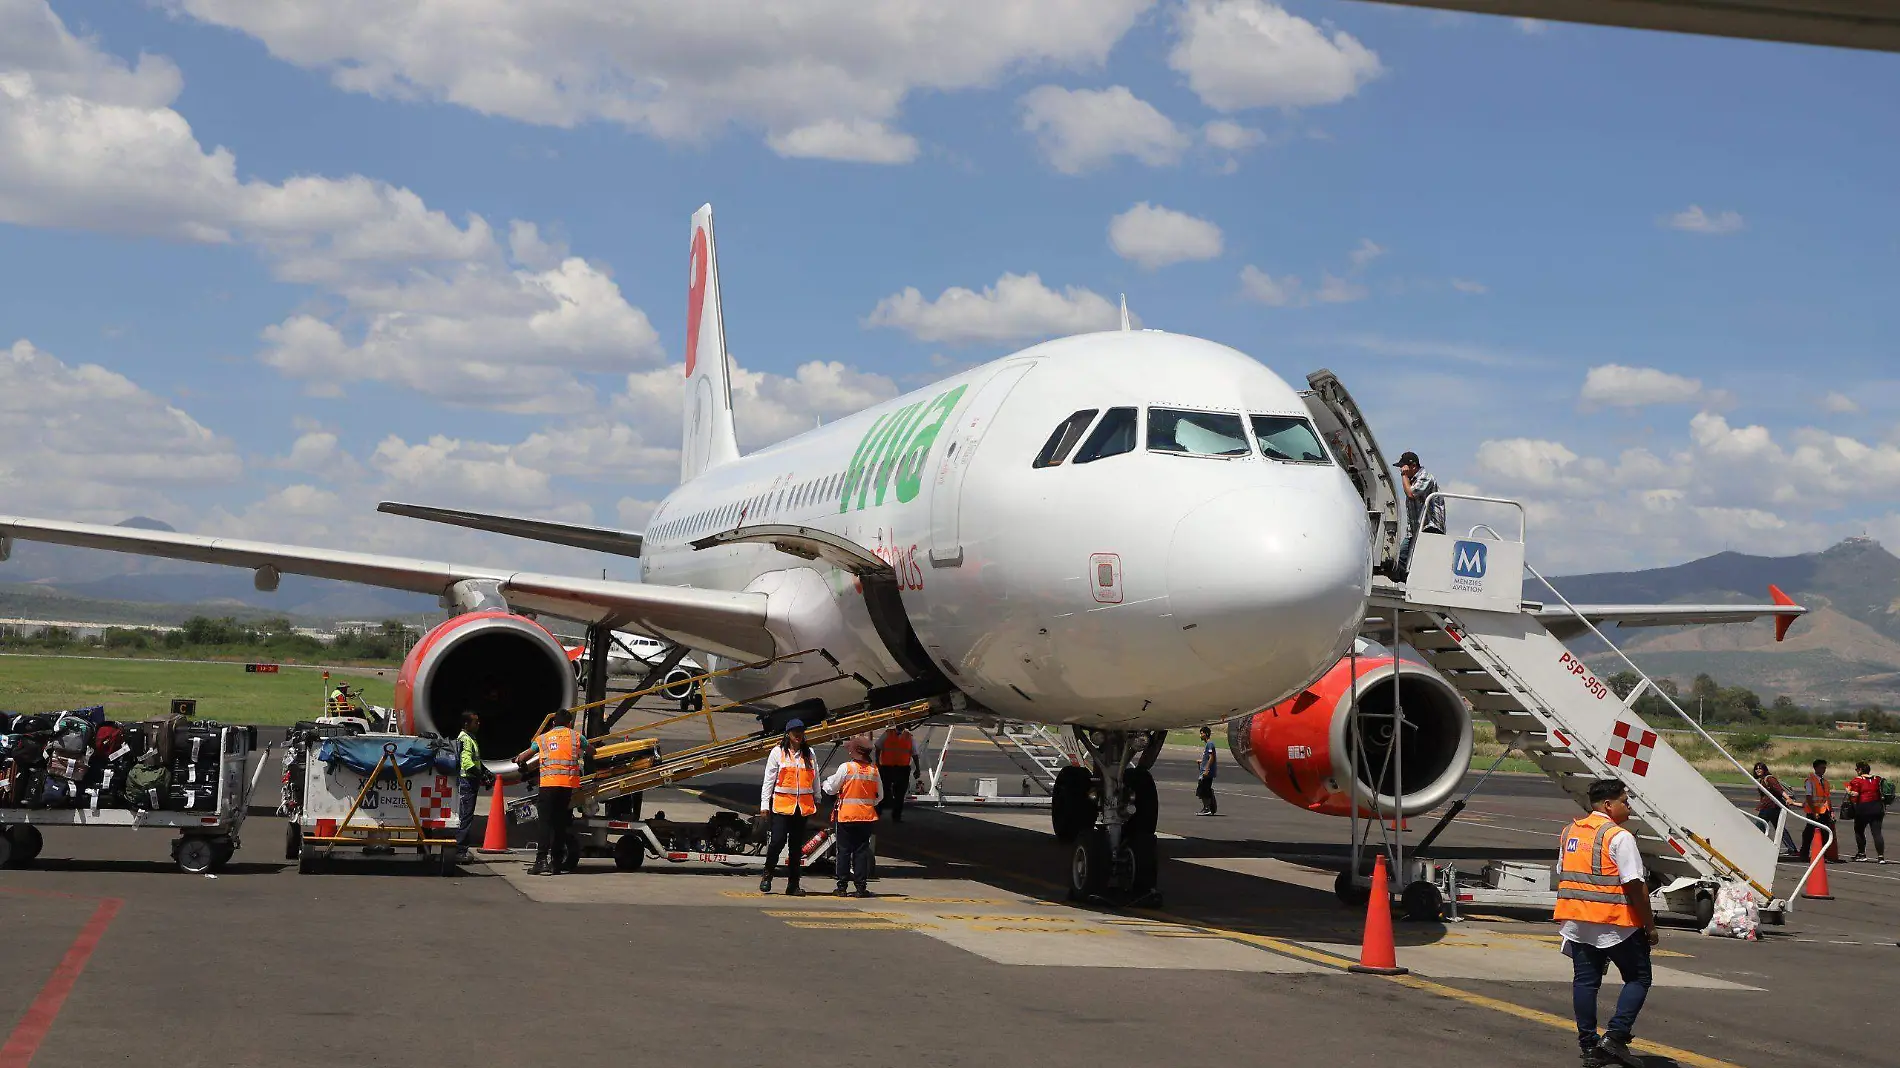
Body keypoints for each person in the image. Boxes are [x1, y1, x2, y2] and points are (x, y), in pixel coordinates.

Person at [1556, 779, 1657, 1068]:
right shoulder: (1619, 836)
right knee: (1638, 978)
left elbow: (1564, 871)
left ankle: (1589, 1047)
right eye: (1625, 801)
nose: (1629, 806)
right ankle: (1616, 1036)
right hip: (1615, 924)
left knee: (1586, 983)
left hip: (1578, 922)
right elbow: (1636, 885)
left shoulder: (1569, 832)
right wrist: (1649, 926)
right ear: (1609, 805)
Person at [515, 710, 590, 876]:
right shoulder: (576, 737)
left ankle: (540, 861)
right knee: (560, 825)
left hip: (548, 786)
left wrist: (519, 760)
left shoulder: (543, 738)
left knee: (545, 824)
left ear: (553, 723)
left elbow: (525, 756)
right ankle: (556, 863)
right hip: (566, 787)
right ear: (569, 723)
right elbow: (592, 751)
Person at [759, 719, 818, 896]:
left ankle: (793, 884)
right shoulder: (778, 753)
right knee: (777, 842)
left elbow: (815, 777)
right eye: (795, 732)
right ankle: (767, 875)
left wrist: (818, 797)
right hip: (782, 807)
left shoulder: (810, 753)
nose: (798, 735)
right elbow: (768, 780)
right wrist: (764, 804)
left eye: (801, 731)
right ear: (788, 734)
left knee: (795, 848)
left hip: (802, 808)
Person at [823, 734, 883, 897]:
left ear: (854, 752)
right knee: (861, 851)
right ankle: (860, 887)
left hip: (847, 817)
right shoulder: (874, 770)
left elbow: (831, 789)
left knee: (843, 851)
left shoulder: (846, 768)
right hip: (866, 817)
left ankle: (841, 887)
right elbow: (879, 796)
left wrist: (825, 784)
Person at [1392, 451, 1445, 580]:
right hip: (1415, 530)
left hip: (1430, 527)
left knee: (1422, 561)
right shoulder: (1411, 480)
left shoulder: (1425, 477)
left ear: (1413, 466)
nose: (1401, 470)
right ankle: (1406, 581)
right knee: (1400, 560)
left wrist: (1404, 476)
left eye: (1404, 467)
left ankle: (1418, 582)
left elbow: (1411, 493)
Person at [455, 711, 485, 863]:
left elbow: (475, 759)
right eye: (475, 722)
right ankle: (460, 851)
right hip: (468, 781)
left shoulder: (470, 738)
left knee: (466, 816)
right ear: (466, 724)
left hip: (470, 780)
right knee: (465, 817)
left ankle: (461, 849)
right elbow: (466, 762)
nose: (478, 724)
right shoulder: (465, 739)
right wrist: (480, 774)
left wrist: (485, 772)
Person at [1751, 761, 1798, 857]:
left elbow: (1779, 790)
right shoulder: (1762, 779)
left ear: (1764, 769)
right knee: (1779, 828)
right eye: (1756, 768)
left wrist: (1788, 798)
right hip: (1771, 807)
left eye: (1760, 768)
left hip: (1769, 807)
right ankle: (1792, 848)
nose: (1758, 770)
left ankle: (1755, 847)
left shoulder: (1769, 779)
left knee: (1760, 826)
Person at [1845, 760, 1887, 864]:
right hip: (1877, 808)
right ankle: (1881, 857)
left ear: (1860, 770)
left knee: (1859, 830)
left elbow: (1855, 795)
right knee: (1877, 832)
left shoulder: (1857, 780)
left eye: (1856, 769)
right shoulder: (1877, 779)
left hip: (1863, 808)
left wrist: (1848, 791)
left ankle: (1861, 854)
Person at [875, 724, 916, 823]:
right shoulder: (888, 733)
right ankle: (877, 813)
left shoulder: (909, 737)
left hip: (902, 768)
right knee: (883, 791)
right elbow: (878, 747)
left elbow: (915, 753)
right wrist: (877, 763)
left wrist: (917, 769)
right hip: (887, 767)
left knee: (900, 794)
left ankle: (896, 816)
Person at [1802, 759, 1839, 862]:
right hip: (1813, 811)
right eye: (1822, 767)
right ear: (1815, 768)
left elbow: (1827, 798)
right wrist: (1814, 811)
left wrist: (1831, 811)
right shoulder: (1810, 780)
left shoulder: (1825, 782)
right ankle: (1804, 853)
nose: (1824, 770)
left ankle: (1822, 855)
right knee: (1809, 833)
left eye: (1825, 768)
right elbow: (1809, 797)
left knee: (1825, 833)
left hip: (1824, 811)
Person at [1195, 726, 1219, 816]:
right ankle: (1207, 807)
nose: (1200, 735)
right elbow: (1208, 758)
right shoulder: (1208, 744)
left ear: (1206, 734)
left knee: (1204, 790)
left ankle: (1207, 808)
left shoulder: (1210, 744)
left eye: (1202, 733)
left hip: (1207, 773)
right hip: (1204, 771)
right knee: (1202, 790)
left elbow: (1212, 757)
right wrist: (1201, 761)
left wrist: (1206, 769)